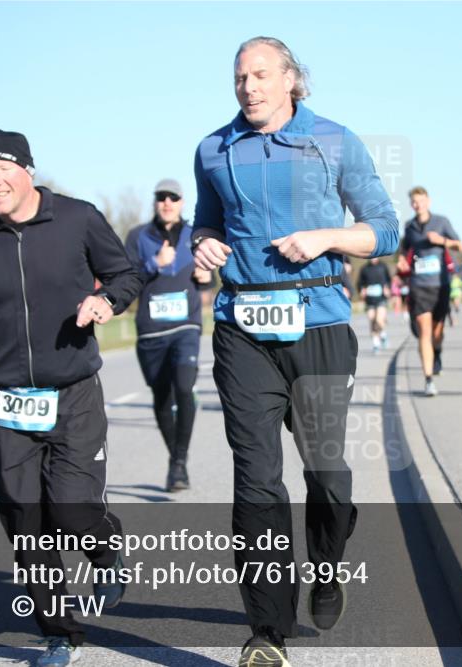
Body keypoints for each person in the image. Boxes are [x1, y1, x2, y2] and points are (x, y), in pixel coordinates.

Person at [191, 36, 398, 667]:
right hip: (242, 328)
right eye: (239, 78)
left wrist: (325, 237)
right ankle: (267, 632)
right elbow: (208, 222)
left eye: (259, 75)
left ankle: (327, 564)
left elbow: (385, 228)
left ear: (290, 80)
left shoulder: (333, 140)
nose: (248, 87)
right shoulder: (213, 149)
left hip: (319, 324)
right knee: (256, 480)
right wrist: (203, 245)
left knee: (327, 477)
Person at [0, 129, 142, 667]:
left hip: (72, 394)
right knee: (25, 520)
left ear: (26, 171)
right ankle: (60, 632)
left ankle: (106, 546)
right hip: (7, 401)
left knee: (71, 511)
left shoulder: (77, 219)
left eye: (1, 169)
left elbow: (126, 274)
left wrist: (105, 302)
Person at [125, 178, 212, 492]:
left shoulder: (195, 236)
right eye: (161, 197)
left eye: (172, 198)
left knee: (184, 387)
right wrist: (153, 263)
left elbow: (207, 279)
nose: (167, 203)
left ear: (181, 202)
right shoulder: (138, 237)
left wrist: (206, 278)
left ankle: (179, 463)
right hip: (151, 333)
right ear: (155, 202)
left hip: (186, 327)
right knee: (162, 397)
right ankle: (175, 458)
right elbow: (126, 280)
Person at [397, 186, 462, 397]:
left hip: (441, 285)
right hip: (419, 286)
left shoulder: (442, 222)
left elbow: (460, 246)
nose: (418, 205)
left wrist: (442, 241)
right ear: (411, 204)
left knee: (437, 333)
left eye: (421, 200)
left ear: (429, 201)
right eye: (415, 202)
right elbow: (404, 251)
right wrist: (401, 263)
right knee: (424, 333)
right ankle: (428, 379)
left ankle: (438, 352)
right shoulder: (409, 227)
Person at [356, 257, 391, 352]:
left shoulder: (383, 266)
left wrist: (387, 288)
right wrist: (361, 290)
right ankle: (376, 343)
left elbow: (389, 280)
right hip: (369, 299)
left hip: (381, 298)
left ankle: (383, 334)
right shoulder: (364, 268)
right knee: (372, 320)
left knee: (379, 320)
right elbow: (359, 283)